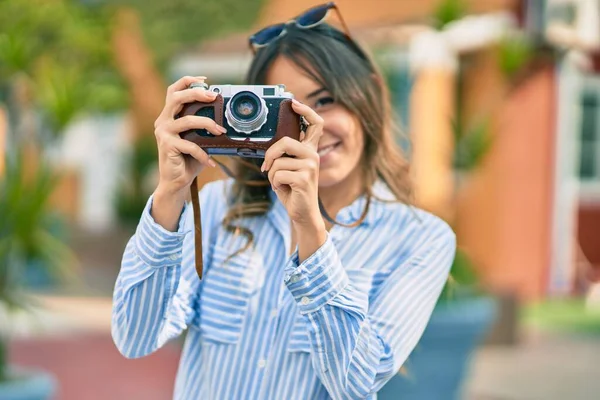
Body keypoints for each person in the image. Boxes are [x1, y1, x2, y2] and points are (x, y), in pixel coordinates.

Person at [111, 3, 456, 399]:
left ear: (370, 96)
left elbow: (357, 384)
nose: (313, 126)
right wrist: (169, 194)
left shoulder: (420, 238)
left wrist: (310, 230)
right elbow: (135, 337)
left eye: (325, 100)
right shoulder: (220, 207)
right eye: (285, 110)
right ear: (250, 117)